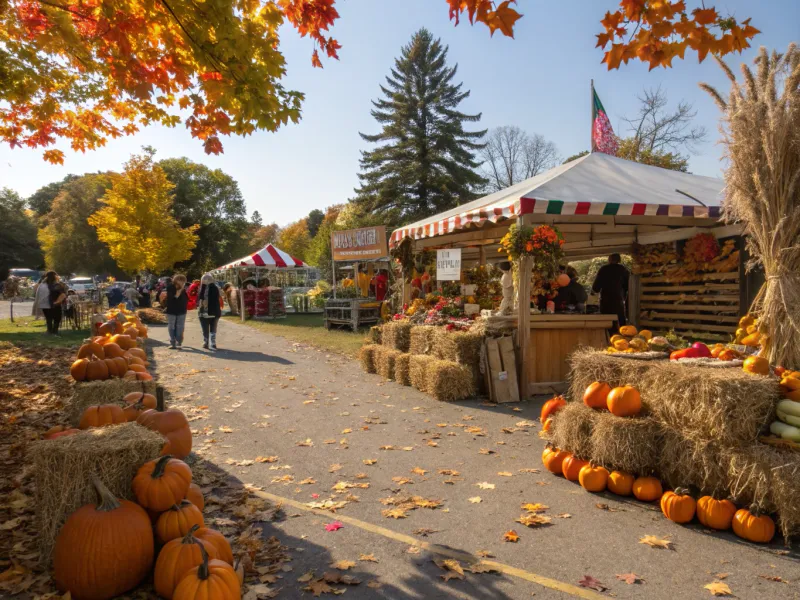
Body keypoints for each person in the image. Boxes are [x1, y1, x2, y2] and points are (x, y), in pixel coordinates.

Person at [592, 253, 630, 330]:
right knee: (621, 324)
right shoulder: (624, 270)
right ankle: (623, 338)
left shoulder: (603, 269)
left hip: (606, 301)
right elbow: (627, 286)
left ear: (609, 259)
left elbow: (596, 288)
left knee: (606, 323)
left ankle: (607, 339)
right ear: (619, 260)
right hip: (618, 300)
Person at [197, 274, 222, 351]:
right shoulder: (216, 288)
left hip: (204, 312)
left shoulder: (202, 288)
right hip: (214, 311)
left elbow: (200, 299)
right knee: (213, 328)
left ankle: (206, 342)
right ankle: (212, 343)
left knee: (205, 328)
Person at [165, 274, 189, 349]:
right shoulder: (170, 287)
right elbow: (174, 297)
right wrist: (180, 290)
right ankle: (173, 342)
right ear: (175, 280)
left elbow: (185, 299)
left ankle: (179, 342)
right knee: (171, 326)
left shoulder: (184, 289)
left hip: (182, 310)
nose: (182, 282)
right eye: (180, 280)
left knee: (180, 326)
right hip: (171, 310)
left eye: (183, 280)